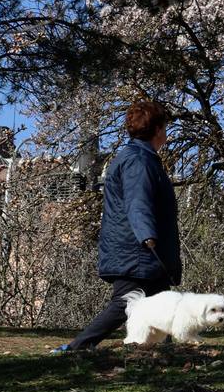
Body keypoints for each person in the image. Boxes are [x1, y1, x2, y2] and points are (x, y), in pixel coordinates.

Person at [53, 100, 181, 352]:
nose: (166, 133)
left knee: (162, 303)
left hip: (138, 250)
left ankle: (162, 352)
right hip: (138, 251)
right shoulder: (138, 161)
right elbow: (137, 201)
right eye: (164, 127)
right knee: (125, 303)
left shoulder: (141, 157)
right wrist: (147, 236)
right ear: (156, 129)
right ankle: (77, 347)